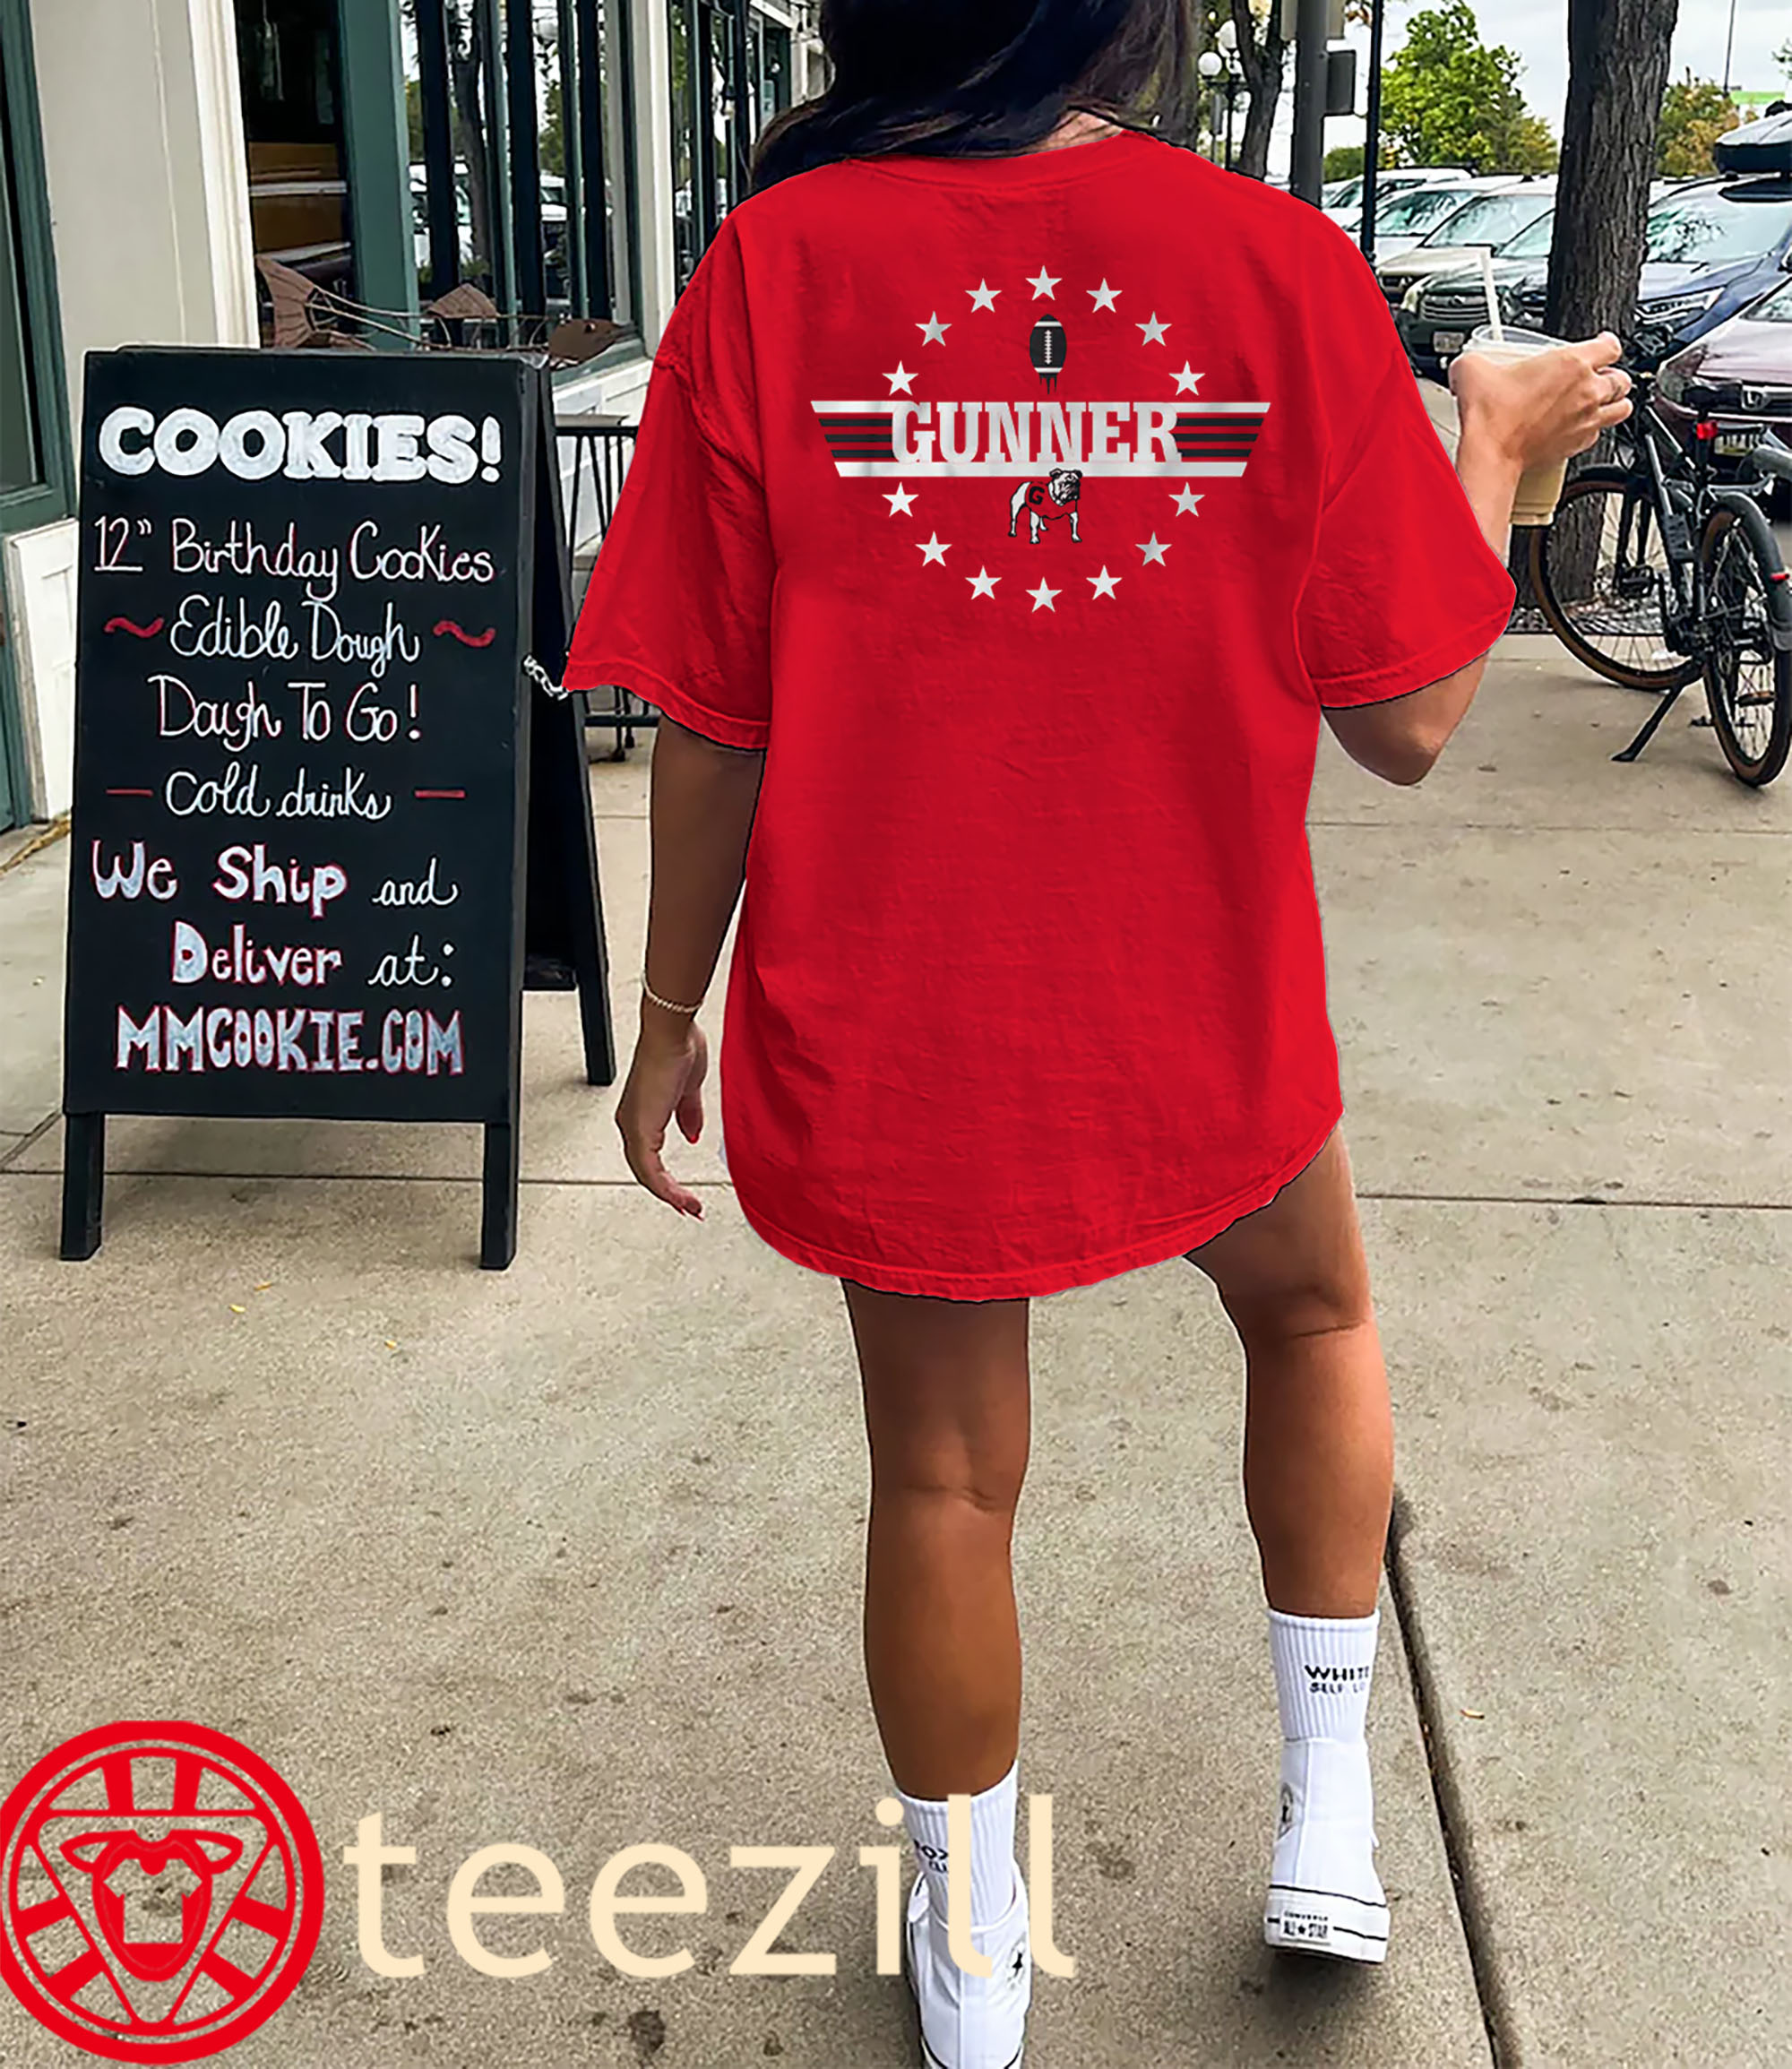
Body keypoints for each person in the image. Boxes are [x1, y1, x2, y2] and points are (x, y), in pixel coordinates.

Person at [564, 5, 1631, 2062]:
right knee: (1311, 1317)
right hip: (1194, 987)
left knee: (942, 1481)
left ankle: (975, 1967)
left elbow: (711, 713)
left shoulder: (775, 268)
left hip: (896, 1008)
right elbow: (1409, 718)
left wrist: (667, 1012)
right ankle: (1329, 1819)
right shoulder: (1275, 265)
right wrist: (1492, 447)